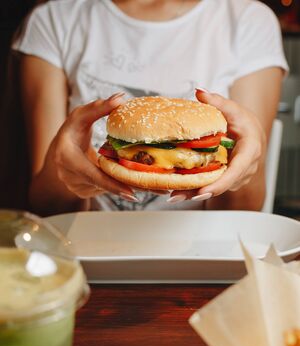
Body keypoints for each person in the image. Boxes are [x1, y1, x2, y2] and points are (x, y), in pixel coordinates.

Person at [12, 0, 288, 215]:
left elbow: (245, 211)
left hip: (204, 256)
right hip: (88, 251)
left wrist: (248, 166)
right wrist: (64, 172)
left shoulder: (248, 19)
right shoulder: (54, 19)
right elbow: (45, 207)